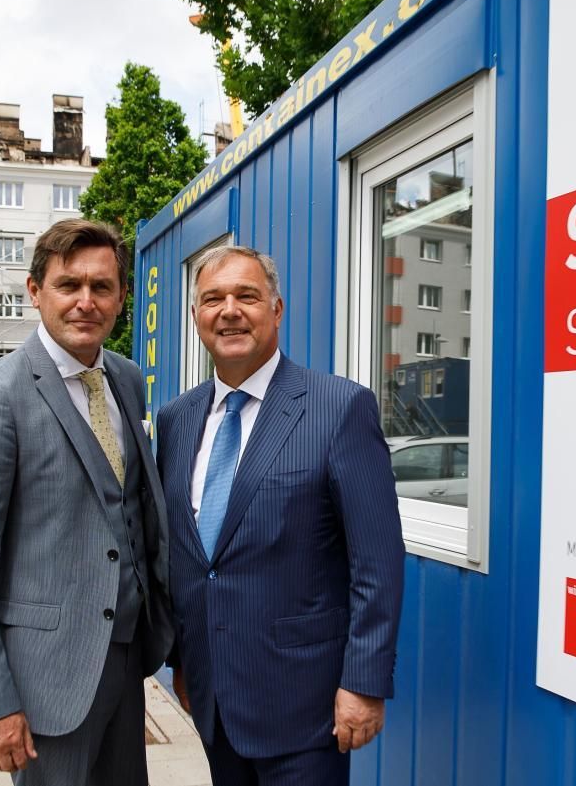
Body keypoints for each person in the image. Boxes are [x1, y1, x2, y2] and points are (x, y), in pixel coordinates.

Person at [156, 245, 405, 785]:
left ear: (277, 309)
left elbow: (377, 562)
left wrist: (363, 683)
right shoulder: (176, 420)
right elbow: (182, 554)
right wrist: (182, 661)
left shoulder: (338, 408)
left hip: (306, 707)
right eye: (213, 299)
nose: (229, 311)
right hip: (213, 698)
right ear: (196, 315)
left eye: (247, 296)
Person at [0, 219, 173, 784]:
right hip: (46, 678)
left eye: (102, 287)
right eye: (69, 285)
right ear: (35, 291)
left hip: (126, 659)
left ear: (121, 297)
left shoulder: (126, 379)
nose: (86, 302)